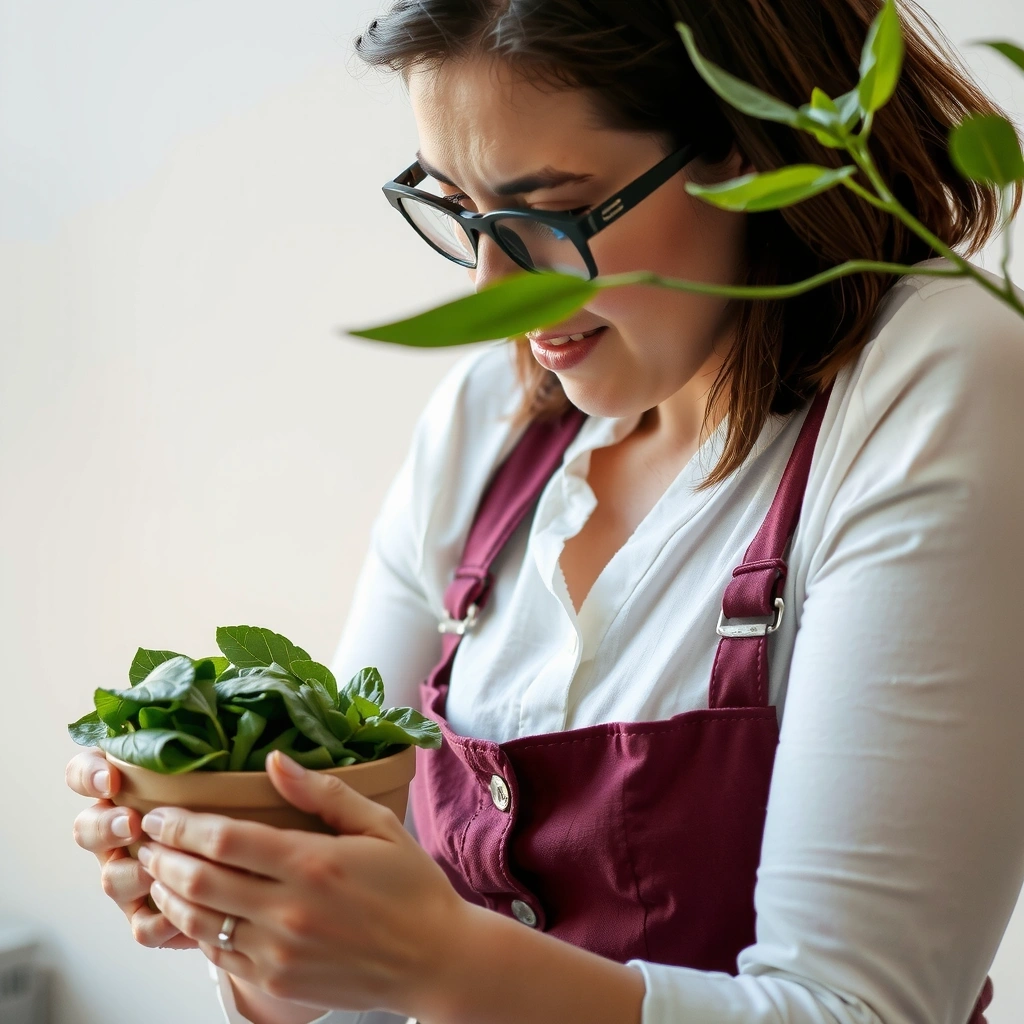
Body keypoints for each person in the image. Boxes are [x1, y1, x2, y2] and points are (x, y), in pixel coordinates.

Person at [66, 1, 1024, 1023]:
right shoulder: (489, 421)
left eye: (549, 211)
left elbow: (864, 1008)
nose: (493, 286)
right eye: (461, 210)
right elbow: (344, 907)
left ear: (754, 153)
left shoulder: (941, 380)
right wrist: (250, 919)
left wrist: (436, 963)